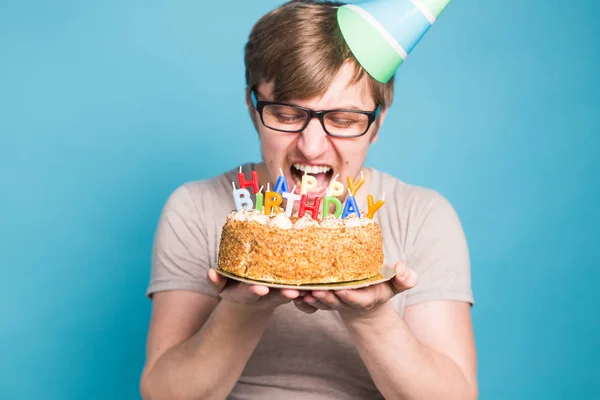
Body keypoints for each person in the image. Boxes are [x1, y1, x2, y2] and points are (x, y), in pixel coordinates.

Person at [140, 1, 477, 399]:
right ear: (253, 108)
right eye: (285, 114)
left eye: (344, 120)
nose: (312, 147)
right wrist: (245, 308)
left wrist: (371, 318)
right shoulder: (196, 208)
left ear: (377, 123)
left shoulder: (422, 217)